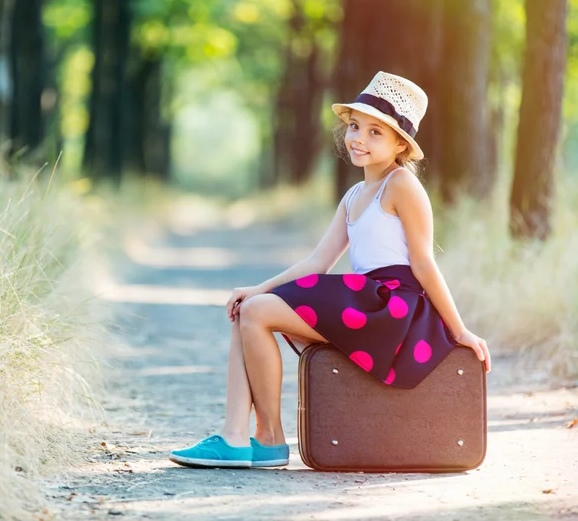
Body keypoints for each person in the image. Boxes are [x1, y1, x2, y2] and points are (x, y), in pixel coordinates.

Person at [168, 71, 492, 469]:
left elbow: (424, 264)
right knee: (248, 309)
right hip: (368, 299)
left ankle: (267, 439)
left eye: (376, 132)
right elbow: (317, 262)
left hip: (395, 311)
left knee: (257, 311)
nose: (359, 138)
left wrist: (458, 329)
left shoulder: (402, 184)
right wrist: (259, 287)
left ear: (400, 144)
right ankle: (236, 435)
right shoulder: (355, 194)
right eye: (356, 126)